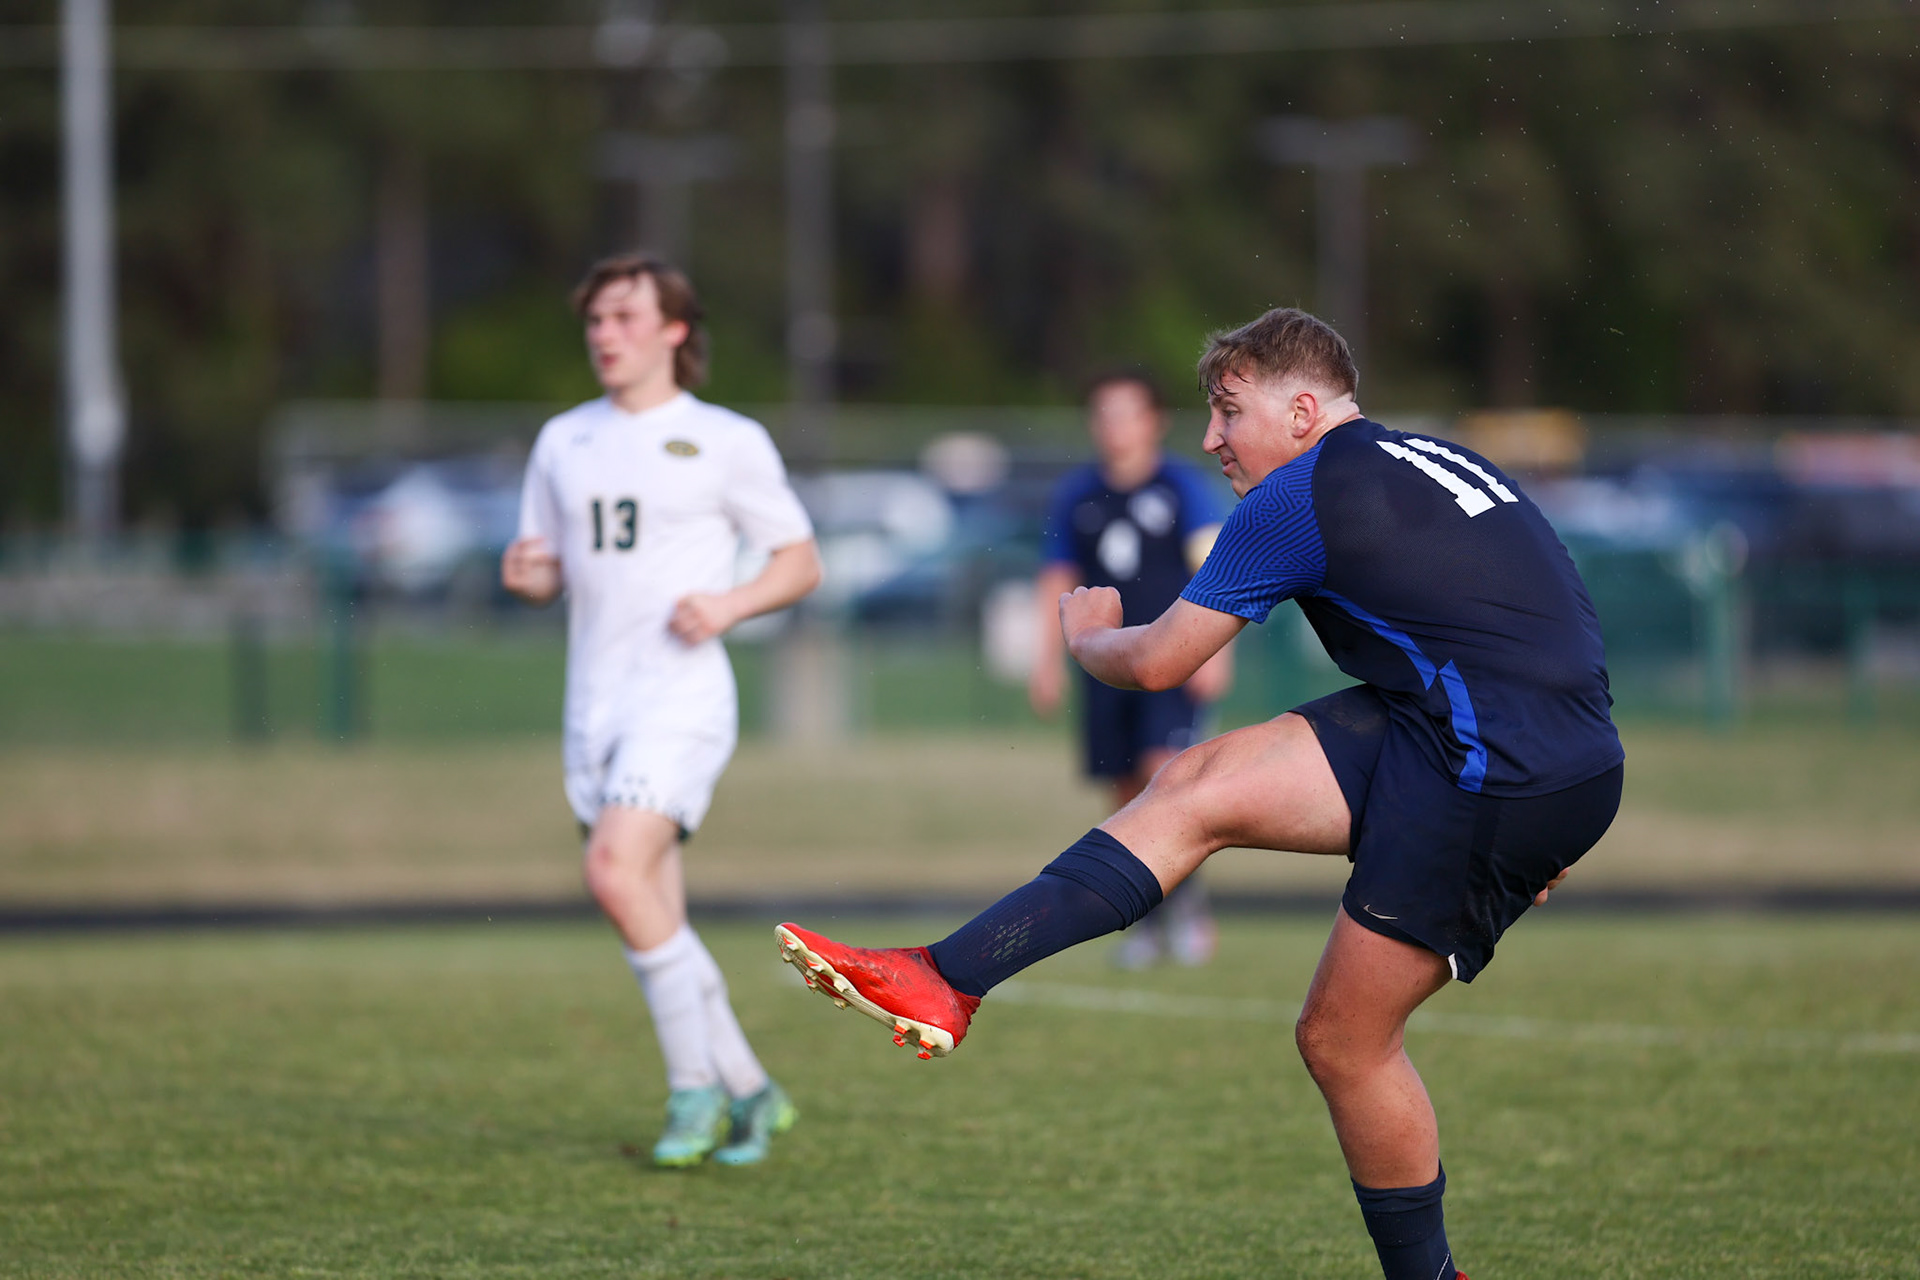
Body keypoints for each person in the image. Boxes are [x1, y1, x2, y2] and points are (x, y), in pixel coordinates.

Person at [774, 307, 1623, 1279]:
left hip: (1493, 763)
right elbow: (1554, 612)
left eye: (1228, 410)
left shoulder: (1296, 496)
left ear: (1303, 410)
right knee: (1194, 782)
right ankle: (949, 975)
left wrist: (1088, 632)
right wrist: (1557, 790)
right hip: (1519, 741)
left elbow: (1159, 661)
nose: (1211, 437)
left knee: (1343, 1039)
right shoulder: (1435, 453)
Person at [502, 253, 823, 1168]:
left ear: (674, 330)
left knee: (613, 873)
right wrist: (530, 577)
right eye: (596, 320)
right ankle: (754, 1093)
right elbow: (551, 566)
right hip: (592, 705)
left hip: (680, 695)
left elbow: (799, 562)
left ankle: (692, 1094)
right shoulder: (564, 439)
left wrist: (726, 605)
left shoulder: (724, 438)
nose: (605, 335)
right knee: (650, 906)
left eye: (624, 317)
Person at [1029, 369, 1233, 968]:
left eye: (1127, 413)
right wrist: (1046, 658)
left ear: (1154, 422)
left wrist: (1215, 652)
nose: (1114, 427)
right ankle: (1145, 918)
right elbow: (1057, 580)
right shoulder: (1078, 495)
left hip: (1170, 665)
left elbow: (1214, 570)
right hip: (1103, 668)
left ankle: (1189, 910)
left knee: (1163, 779)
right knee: (1123, 796)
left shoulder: (1182, 488)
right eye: (1104, 414)